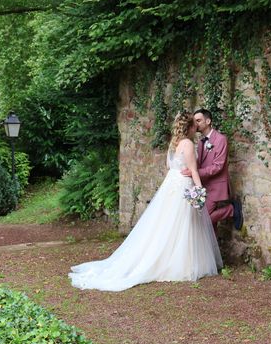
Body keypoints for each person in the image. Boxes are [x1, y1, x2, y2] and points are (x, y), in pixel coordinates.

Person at [69, 111, 223, 292]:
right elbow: (194, 171)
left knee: (169, 225)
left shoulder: (174, 143)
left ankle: (172, 259)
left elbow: (169, 166)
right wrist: (199, 191)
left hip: (171, 184)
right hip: (183, 185)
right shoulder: (188, 143)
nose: (195, 128)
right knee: (183, 224)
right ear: (189, 127)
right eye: (194, 126)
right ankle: (182, 264)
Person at [181, 109, 243, 233]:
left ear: (208, 121)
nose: (196, 123)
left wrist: (196, 172)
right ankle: (213, 252)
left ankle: (231, 209)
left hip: (216, 186)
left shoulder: (221, 139)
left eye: (198, 120)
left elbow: (218, 166)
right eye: (194, 121)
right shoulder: (199, 142)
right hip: (202, 185)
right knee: (209, 228)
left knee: (204, 219)